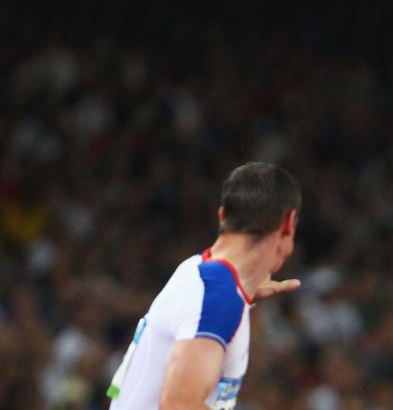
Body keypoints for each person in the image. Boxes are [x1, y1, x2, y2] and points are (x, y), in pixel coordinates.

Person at [107, 161, 302, 410]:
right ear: (288, 224)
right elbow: (179, 404)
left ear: (223, 216)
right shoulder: (218, 296)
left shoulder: (199, 269)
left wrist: (242, 295)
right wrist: (228, 301)